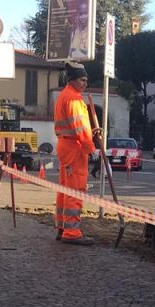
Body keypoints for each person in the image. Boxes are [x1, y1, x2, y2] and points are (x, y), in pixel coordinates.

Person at [53, 63, 101, 245]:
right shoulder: (73, 99)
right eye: (82, 80)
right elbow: (80, 129)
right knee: (75, 189)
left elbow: (76, 127)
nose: (85, 83)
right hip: (75, 148)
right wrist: (91, 149)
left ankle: (62, 227)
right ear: (71, 79)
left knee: (65, 189)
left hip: (67, 145)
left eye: (86, 80)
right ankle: (71, 232)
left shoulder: (65, 96)